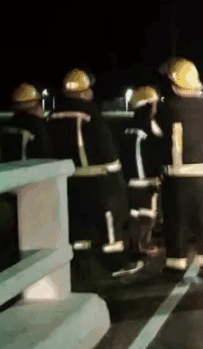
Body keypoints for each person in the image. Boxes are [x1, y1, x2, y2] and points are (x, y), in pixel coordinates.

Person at [47, 68, 143, 278]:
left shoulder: (53, 116)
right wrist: (118, 175)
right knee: (110, 221)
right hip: (101, 180)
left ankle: (81, 264)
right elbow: (106, 147)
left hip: (70, 179)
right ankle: (115, 264)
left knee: (80, 223)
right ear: (84, 91)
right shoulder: (91, 113)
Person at [156, 57, 203, 280]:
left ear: (173, 85)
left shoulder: (167, 109)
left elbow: (156, 134)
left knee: (176, 222)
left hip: (177, 177)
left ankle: (175, 267)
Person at [120, 85, 164, 258]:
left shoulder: (127, 127)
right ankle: (142, 247)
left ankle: (135, 246)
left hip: (130, 179)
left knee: (134, 214)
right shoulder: (147, 127)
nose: (156, 107)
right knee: (147, 214)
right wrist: (155, 177)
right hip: (145, 179)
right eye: (154, 104)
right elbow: (154, 152)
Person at [0, 83, 54, 161]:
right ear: (35, 104)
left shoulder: (6, 126)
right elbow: (47, 156)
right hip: (30, 171)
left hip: (6, 170)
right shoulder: (37, 127)